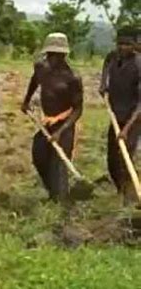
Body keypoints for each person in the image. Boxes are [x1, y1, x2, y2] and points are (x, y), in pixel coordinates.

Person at [21, 33, 84, 202]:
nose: (52, 58)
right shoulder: (41, 67)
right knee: (39, 155)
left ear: (64, 55)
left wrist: (61, 131)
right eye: (49, 54)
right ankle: (52, 193)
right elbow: (35, 81)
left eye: (56, 55)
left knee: (59, 164)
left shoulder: (73, 77)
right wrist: (26, 100)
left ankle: (62, 203)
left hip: (65, 123)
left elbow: (78, 110)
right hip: (46, 120)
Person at [100, 27, 141, 203]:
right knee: (112, 159)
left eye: (127, 44)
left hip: (134, 118)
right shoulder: (112, 57)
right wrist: (103, 84)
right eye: (120, 43)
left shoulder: (139, 65)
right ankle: (120, 189)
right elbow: (106, 65)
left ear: (135, 44)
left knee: (125, 158)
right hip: (116, 115)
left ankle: (129, 197)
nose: (122, 47)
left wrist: (126, 129)